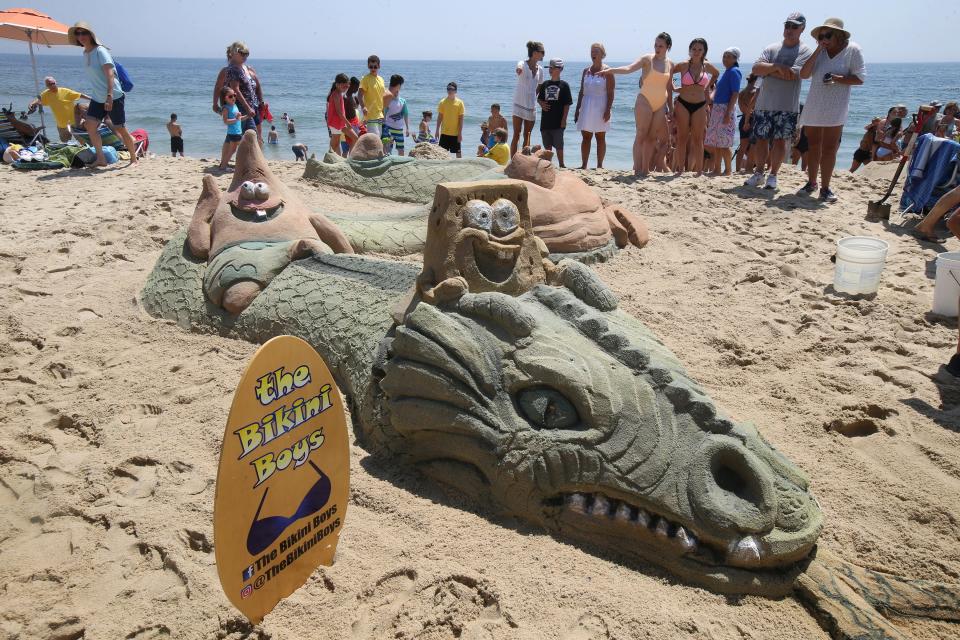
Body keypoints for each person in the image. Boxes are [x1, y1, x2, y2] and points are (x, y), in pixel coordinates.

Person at [796, 17, 865, 202]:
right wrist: (819, 48)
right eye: (820, 35)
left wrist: (838, 78)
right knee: (812, 146)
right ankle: (811, 182)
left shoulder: (852, 50)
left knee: (829, 148)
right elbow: (803, 74)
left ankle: (825, 188)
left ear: (839, 35)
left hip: (836, 106)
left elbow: (860, 79)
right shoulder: (819, 51)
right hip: (815, 104)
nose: (823, 38)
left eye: (827, 34)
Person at [743, 13, 813, 191]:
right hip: (764, 103)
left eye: (794, 27)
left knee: (781, 142)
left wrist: (769, 70)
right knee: (761, 140)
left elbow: (793, 74)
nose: (789, 30)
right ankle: (759, 173)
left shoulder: (805, 51)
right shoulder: (772, 48)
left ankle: (773, 175)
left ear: (802, 29)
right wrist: (777, 67)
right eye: (787, 26)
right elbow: (756, 68)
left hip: (787, 106)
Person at [600, 33, 675, 177]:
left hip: (660, 103)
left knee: (652, 138)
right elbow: (629, 69)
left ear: (668, 47)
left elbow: (669, 87)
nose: (657, 48)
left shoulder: (670, 64)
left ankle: (646, 170)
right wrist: (611, 71)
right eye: (656, 45)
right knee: (641, 135)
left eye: (661, 46)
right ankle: (637, 169)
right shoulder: (647, 59)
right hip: (645, 100)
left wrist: (671, 108)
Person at [68, 22, 139, 167]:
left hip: (113, 96)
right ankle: (101, 159)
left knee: (120, 128)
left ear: (90, 35)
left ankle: (134, 159)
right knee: (90, 126)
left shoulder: (100, 51)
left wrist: (109, 96)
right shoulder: (86, 53)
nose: (81, 36)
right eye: (78, 33)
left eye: (84, 33)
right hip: (97, 97)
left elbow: (110, 74)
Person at [671, 39, 720, 175]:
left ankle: (699, 172)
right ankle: (680, 170)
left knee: (698, 139)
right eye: (694, 49)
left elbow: (716, 74)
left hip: (700, 104)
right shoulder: (682, 65)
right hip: (683, 103)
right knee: (682, 138)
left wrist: (708, 86)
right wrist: (674, 87)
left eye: (700, 49)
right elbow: (668, 72)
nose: (697, 52)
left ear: (704, 51)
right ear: (690, 50)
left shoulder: (707, 66)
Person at [704, 48, 742, 176]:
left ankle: (728, 170)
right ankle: (717, 169)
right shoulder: (727, 72)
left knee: (724, 143)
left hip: (726, 109)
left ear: (735, 58)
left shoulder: (734, 72)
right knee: (717, 142)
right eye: (724, 56)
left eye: (729, 56)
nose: (725, 59)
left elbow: (735, 93)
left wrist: (728, 113)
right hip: (718, 108)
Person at [27, 76, 90, 142]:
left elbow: (80, 95)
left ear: (56, 83)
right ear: (46, 86)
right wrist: (31, 104)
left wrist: (91, 99)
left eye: (53, 83)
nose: (52, 85)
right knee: (65, 143)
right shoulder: (46, 94)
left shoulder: (65, 91)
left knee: (83, 141)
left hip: (74, 122)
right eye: (50, 84)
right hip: (61, 125)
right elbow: (38, 99)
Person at [221, 42, 261, 144]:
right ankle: (251, 159)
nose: (245, 56)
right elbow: (236, 89)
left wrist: (260, 103)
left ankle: (226, 160)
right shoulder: (234, 69)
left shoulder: (240, 68)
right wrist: (247, 108)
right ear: (234, 53)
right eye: (242, 53)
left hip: (245, 107)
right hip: (242, 108)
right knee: (250, 136)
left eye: (246, 54)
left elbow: (256, 86)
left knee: (236, 137)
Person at [536, 58, 573, 167]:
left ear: (560, 69)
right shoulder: (545, 84)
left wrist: (564, 120)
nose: (550, 70)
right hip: (546, 121)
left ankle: (562, 164)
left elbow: (567, 104)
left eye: (553, 68)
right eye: (549, 68)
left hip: (558, 121)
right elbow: (539, 98)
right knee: (547, 145)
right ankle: (549, 164)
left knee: (559, 144)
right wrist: (541, 104)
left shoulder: (564, 85)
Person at [511, 41, 545, 156]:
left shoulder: (540, 69)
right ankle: (513, 161)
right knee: (516, 134)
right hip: (519, 104)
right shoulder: (523, 64)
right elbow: (519, 66)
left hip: (531, 106)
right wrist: (519, 69)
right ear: (535, 53)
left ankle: (524, 159)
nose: (543, 55)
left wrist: (533, 98)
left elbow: (539, 86)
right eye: (542, 52)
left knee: (528, 134)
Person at [327, 73, 357, 156]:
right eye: (344, 86)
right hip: (335, 122)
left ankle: (351, 158)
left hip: (341, 122)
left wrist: (345, 122)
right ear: (337, 85)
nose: (346, 89)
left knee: (355, 138)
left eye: (347, 87)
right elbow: (339, 112)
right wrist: (347, 122)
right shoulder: (335, 95)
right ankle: (329, 158)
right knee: (335, 144)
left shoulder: (340, 93)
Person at [219, 87, 248, 170]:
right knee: (234, 150)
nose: (233, 98)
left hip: (237, 132)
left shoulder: (234, 105)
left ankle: (223, 165)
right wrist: (236, 119)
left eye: (234, 95)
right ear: (225, 98)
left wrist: (247, 116)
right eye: (230, 96)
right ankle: (224, 166)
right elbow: (225, 121)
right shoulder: (226, 108)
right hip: (233, 133)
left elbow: (239, 118)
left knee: (234, 150)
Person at [735, 74, 759, 173]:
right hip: (753, 120)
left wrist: (746, 120)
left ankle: (737, 169)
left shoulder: (741, 93)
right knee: (755, 146)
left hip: (744, 119)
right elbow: (753, 109)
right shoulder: (756, 92)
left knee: (742, 147)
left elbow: (741, 109)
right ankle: (751, 168)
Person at [381, 74, 411, 156]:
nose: (397, 91)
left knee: (401, 149)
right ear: (398, 85)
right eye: (400, 86)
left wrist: (407, 128)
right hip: (388, 127)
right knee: (387, 148)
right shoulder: (388, 99)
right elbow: (383, 112)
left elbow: (406, 114)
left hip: (399, 129)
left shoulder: (402, 101)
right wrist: (383, 126)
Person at [435, 82, 465, 158]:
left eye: (451, 89)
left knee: (458, 153)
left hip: (455, 133)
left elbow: (461, 119)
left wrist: (460, 133)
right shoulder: (442, 102)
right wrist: (437, 130)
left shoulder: (460, 103)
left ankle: (460, 167)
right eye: (448, 89)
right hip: (444, 132)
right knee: (441, 154)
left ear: (455, 91)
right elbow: (440, 117)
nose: (449, 91)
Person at [359, 55, 385, 137]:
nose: (373, 69)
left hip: (380, 114)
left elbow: (382, 97)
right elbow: (359, 95)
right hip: (370, 114)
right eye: (371, 67)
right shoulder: (365, 79)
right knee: (374, 139)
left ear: (379, 66)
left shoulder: (381, 79)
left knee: (379, 138)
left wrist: (384, 112)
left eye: (375, 67)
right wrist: (363, 107)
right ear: (368, 66)